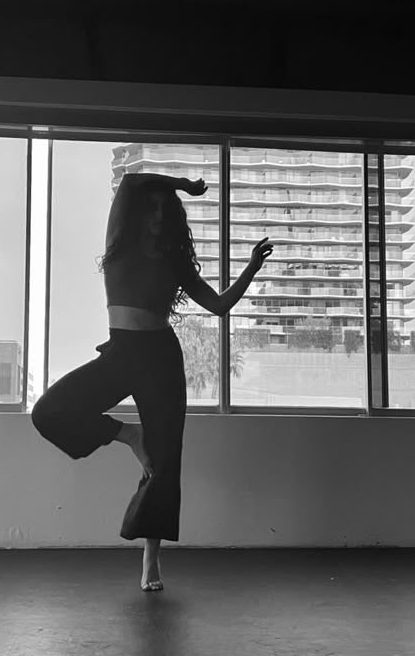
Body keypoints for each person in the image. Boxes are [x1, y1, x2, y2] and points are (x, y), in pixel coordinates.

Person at [31, 170, 274, 591]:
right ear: (142, 212)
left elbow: (218, 305)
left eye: (167, 211)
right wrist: (181, 184)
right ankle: (129, 435)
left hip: (161, 357)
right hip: (121, 353)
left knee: (165, 464)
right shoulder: (119, 243)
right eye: (155, 207)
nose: (159, 215)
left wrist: (251, 267)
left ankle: (151, 559)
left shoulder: (173, 261)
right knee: (47, 411)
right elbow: (129, 183)